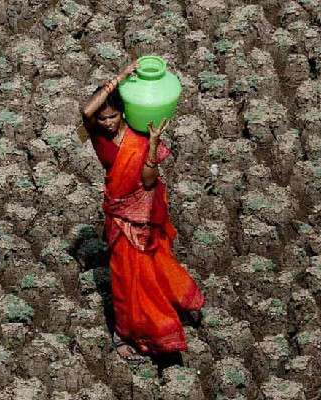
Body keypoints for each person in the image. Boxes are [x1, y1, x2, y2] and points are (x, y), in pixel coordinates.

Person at [78, 60, 206, 363]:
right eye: (103, 118)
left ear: (123, 112)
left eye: (112, 116)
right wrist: (119, 78)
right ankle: (126, 332)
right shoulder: (99, 136)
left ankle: (163, 311)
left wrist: (151, 149)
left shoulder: (140, 137)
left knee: (153, 267)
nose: (107, 123)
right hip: (121, 220)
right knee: (125, 278)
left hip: (146, 215)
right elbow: (86, 112)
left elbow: (149, 183)